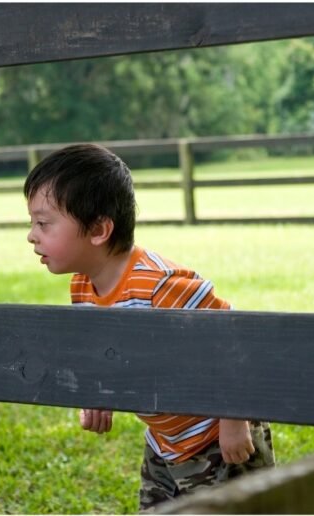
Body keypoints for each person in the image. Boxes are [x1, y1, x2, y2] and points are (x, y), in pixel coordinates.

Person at [24, 143, 275, 512]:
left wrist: (234, 421)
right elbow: (103, 350)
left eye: (43, 223)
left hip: (216, 438)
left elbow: (232, 337)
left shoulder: (160, 285)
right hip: (164, 440)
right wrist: (98, 393)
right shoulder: (82, 286)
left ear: (98, 229)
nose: (32, 235)